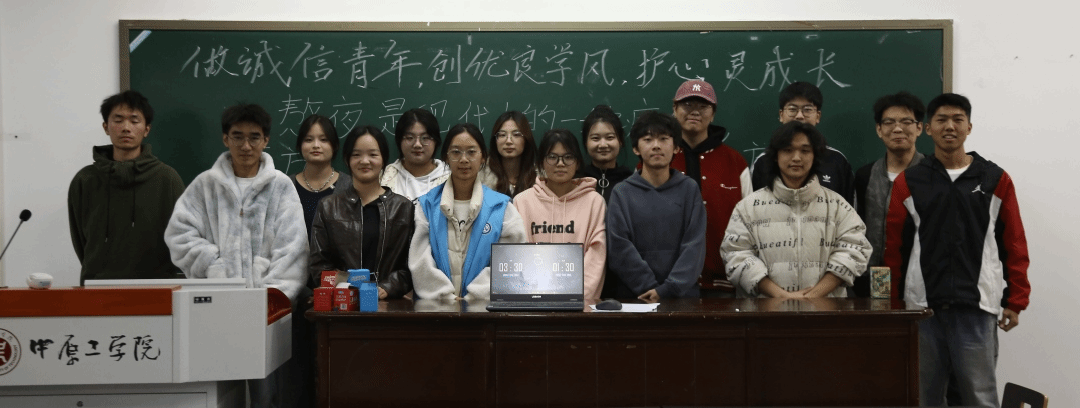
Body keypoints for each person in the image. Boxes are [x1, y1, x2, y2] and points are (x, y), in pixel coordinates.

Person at [885, 93, 1030, 407]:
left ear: (969, 127)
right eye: (941, 120)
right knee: (924, 399)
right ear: (928, 128)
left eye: (957, 119)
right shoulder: (909, 182)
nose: (949, 126)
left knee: (979, 397)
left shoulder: (995, 179)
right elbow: (895, 247)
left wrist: (1016, 299)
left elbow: (1014, 242)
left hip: (976, 307)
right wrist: (895, 304)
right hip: (922, 308)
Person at [165, 103, 308, 408]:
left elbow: (293, 248)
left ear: (266, 140)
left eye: (254, 137)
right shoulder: (205, 185)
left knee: (266, 397)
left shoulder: (281, 186)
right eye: (237, 136)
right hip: (216, 309)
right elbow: (179, 235)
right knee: (219, 395)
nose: (246, 146)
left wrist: (271, 297)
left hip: (265, 314)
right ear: (225, 138)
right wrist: (214, 267)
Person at [721, 121, 870, 298]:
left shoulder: (838, 206)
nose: (797, 158)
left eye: (805, 151)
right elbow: (736, 254)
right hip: (765, 310)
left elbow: (855, 249)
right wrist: (781, 296)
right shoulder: (748, 208)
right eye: (787, 150)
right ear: (775, 156)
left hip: (826, 309)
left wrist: (814, 295)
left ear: (815, 155)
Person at [68, 90, 185, 285]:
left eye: (134, 120)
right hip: (98, 287)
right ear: (106, 127)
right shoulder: (85, 180)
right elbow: (80, 240)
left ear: (146, 129)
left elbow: (181, 237)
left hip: (157, 288)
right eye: (118, 120)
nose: (126, 128)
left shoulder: (167, 179)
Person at [408, 123, 528, 300]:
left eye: (471, 152)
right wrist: (446, 297)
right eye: (456, 152)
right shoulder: (427, 205)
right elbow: (420, 262)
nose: (464, 159)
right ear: (446, 157)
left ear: (483, 157)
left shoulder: (502, 208)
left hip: (484, 308)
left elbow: (513, 261)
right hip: (436, 308)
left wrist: (474, 297)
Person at [606, 111, 706, 301]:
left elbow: (695, 246)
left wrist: (669, 289)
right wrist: (650, 288)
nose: (656, 146)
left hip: (682, 297)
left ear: (676, 147)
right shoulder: (622, 193)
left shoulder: (689, 189)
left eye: (663, 139)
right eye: (648, 139)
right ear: (636, 148)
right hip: (636, 297)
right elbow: (619, 247)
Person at [309, 125, 415, 299]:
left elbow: (411, 265)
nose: (365, 161)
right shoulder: (328, 207)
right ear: (347, 159)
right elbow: (318, 264)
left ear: (384, 159)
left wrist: (388, 287)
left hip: (388, 304)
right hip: (342, 302)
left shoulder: (403, 208)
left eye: (373, 155)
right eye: (356, 155)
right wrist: (348, 286)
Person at [668, 79, 752, 297]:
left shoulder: (735, 162)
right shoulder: (656, 159)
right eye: (687, 104)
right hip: (668, 283)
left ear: (713, 113)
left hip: (724, 283)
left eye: (703, 106)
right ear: (674, 109)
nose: (695, 111)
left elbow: (751, 224)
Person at [513, 129, 607, 300]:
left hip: (580, 303)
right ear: (541, 162)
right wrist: (536, 296)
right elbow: (518, 256)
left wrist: (577, 297)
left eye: (568, 157)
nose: (561, 163)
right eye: (552, 157)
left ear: (578, 163)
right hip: (533, 301)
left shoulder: (594, 202)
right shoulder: (522, 202)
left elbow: (596, 255)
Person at [852, 92, 927, 297]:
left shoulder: (933, 175)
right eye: (889, 122)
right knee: (880, 316)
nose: (897, 128)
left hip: (921, 279)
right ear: (879, 129)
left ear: (919, 128)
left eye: (906, 122)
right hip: (874, 276)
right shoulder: (865, 176)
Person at [750, 81, 855, 206]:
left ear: (818, 116)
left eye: (807, 110)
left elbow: (849, 211)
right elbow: (753, 208)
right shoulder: (763, 162)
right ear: (781, 115)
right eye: (792, 109)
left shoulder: (837, 161)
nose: (799, 116)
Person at [291, 114, 345, 235]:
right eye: (308, 140)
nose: (316, 145)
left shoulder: (349, 186)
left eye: (324, 140)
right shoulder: (287, 185)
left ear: (335, 145)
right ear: (300, 145)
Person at [380, 108, 450, 201]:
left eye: (425, 138)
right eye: (410, 138)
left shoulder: (450, 178)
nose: (417, 144)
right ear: (399, 141)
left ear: (436, 141)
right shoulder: (383, 177)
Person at [579, 105, 633, 201]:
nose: (603, 145)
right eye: (595, 138)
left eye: (610, 137)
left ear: (620, 141)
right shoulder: (576, 181)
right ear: (585, 143)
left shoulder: (631, 182)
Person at [479, 111, 537, 197]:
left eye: (516, 134)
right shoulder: (481, 176)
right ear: (495, 140)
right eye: (502, 135)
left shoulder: (540, 178)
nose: (508, 141)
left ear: (526, 139)